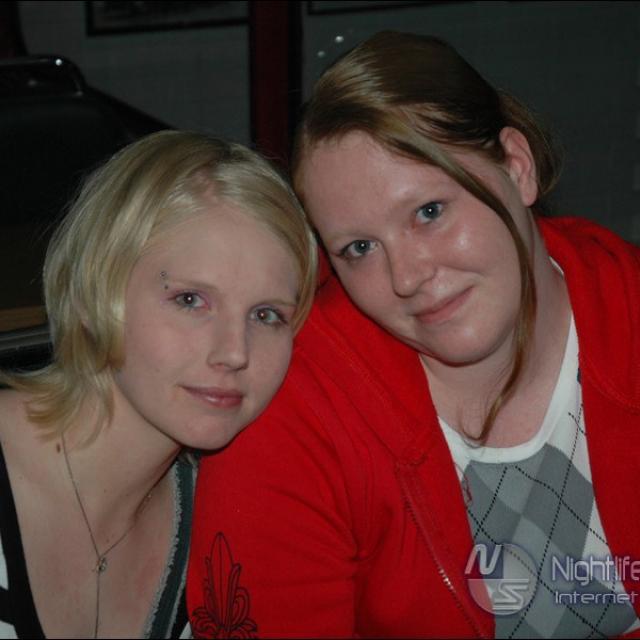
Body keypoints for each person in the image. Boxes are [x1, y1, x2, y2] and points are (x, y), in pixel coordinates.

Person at [187, 31, 640, 639]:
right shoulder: (294, 409)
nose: (407, 277)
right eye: (360, 248)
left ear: (517, 167)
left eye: (429, 212)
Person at [0, 130, 316, 639]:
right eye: (190, 300)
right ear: (92, 292)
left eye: (266, 314)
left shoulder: (224, 523)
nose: (234, 352)